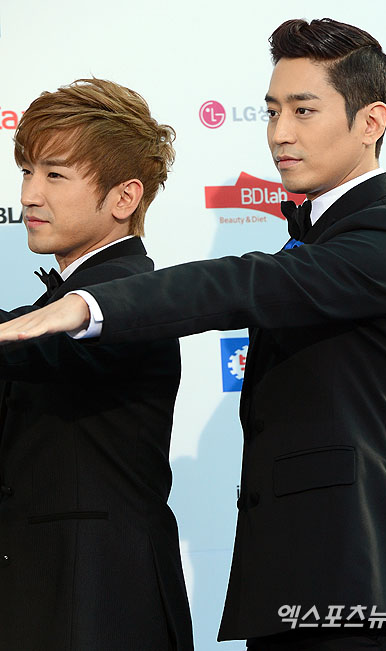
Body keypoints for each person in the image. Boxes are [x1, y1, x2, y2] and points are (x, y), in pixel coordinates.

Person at [0, 18, 386, 651]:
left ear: (371, 121)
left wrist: (88, 307)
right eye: (271, 111)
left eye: (303, 110)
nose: (280, 133)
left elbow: (241, 284)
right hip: (299, 581)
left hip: (360, 579)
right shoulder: (317, 238)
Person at [0, 78, 193, 651]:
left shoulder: (125, 300)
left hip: (100, 606)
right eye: (27, 171)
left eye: (55, 175)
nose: (29, 195)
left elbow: (37, 345)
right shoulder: (57, 300)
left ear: (124, 198)